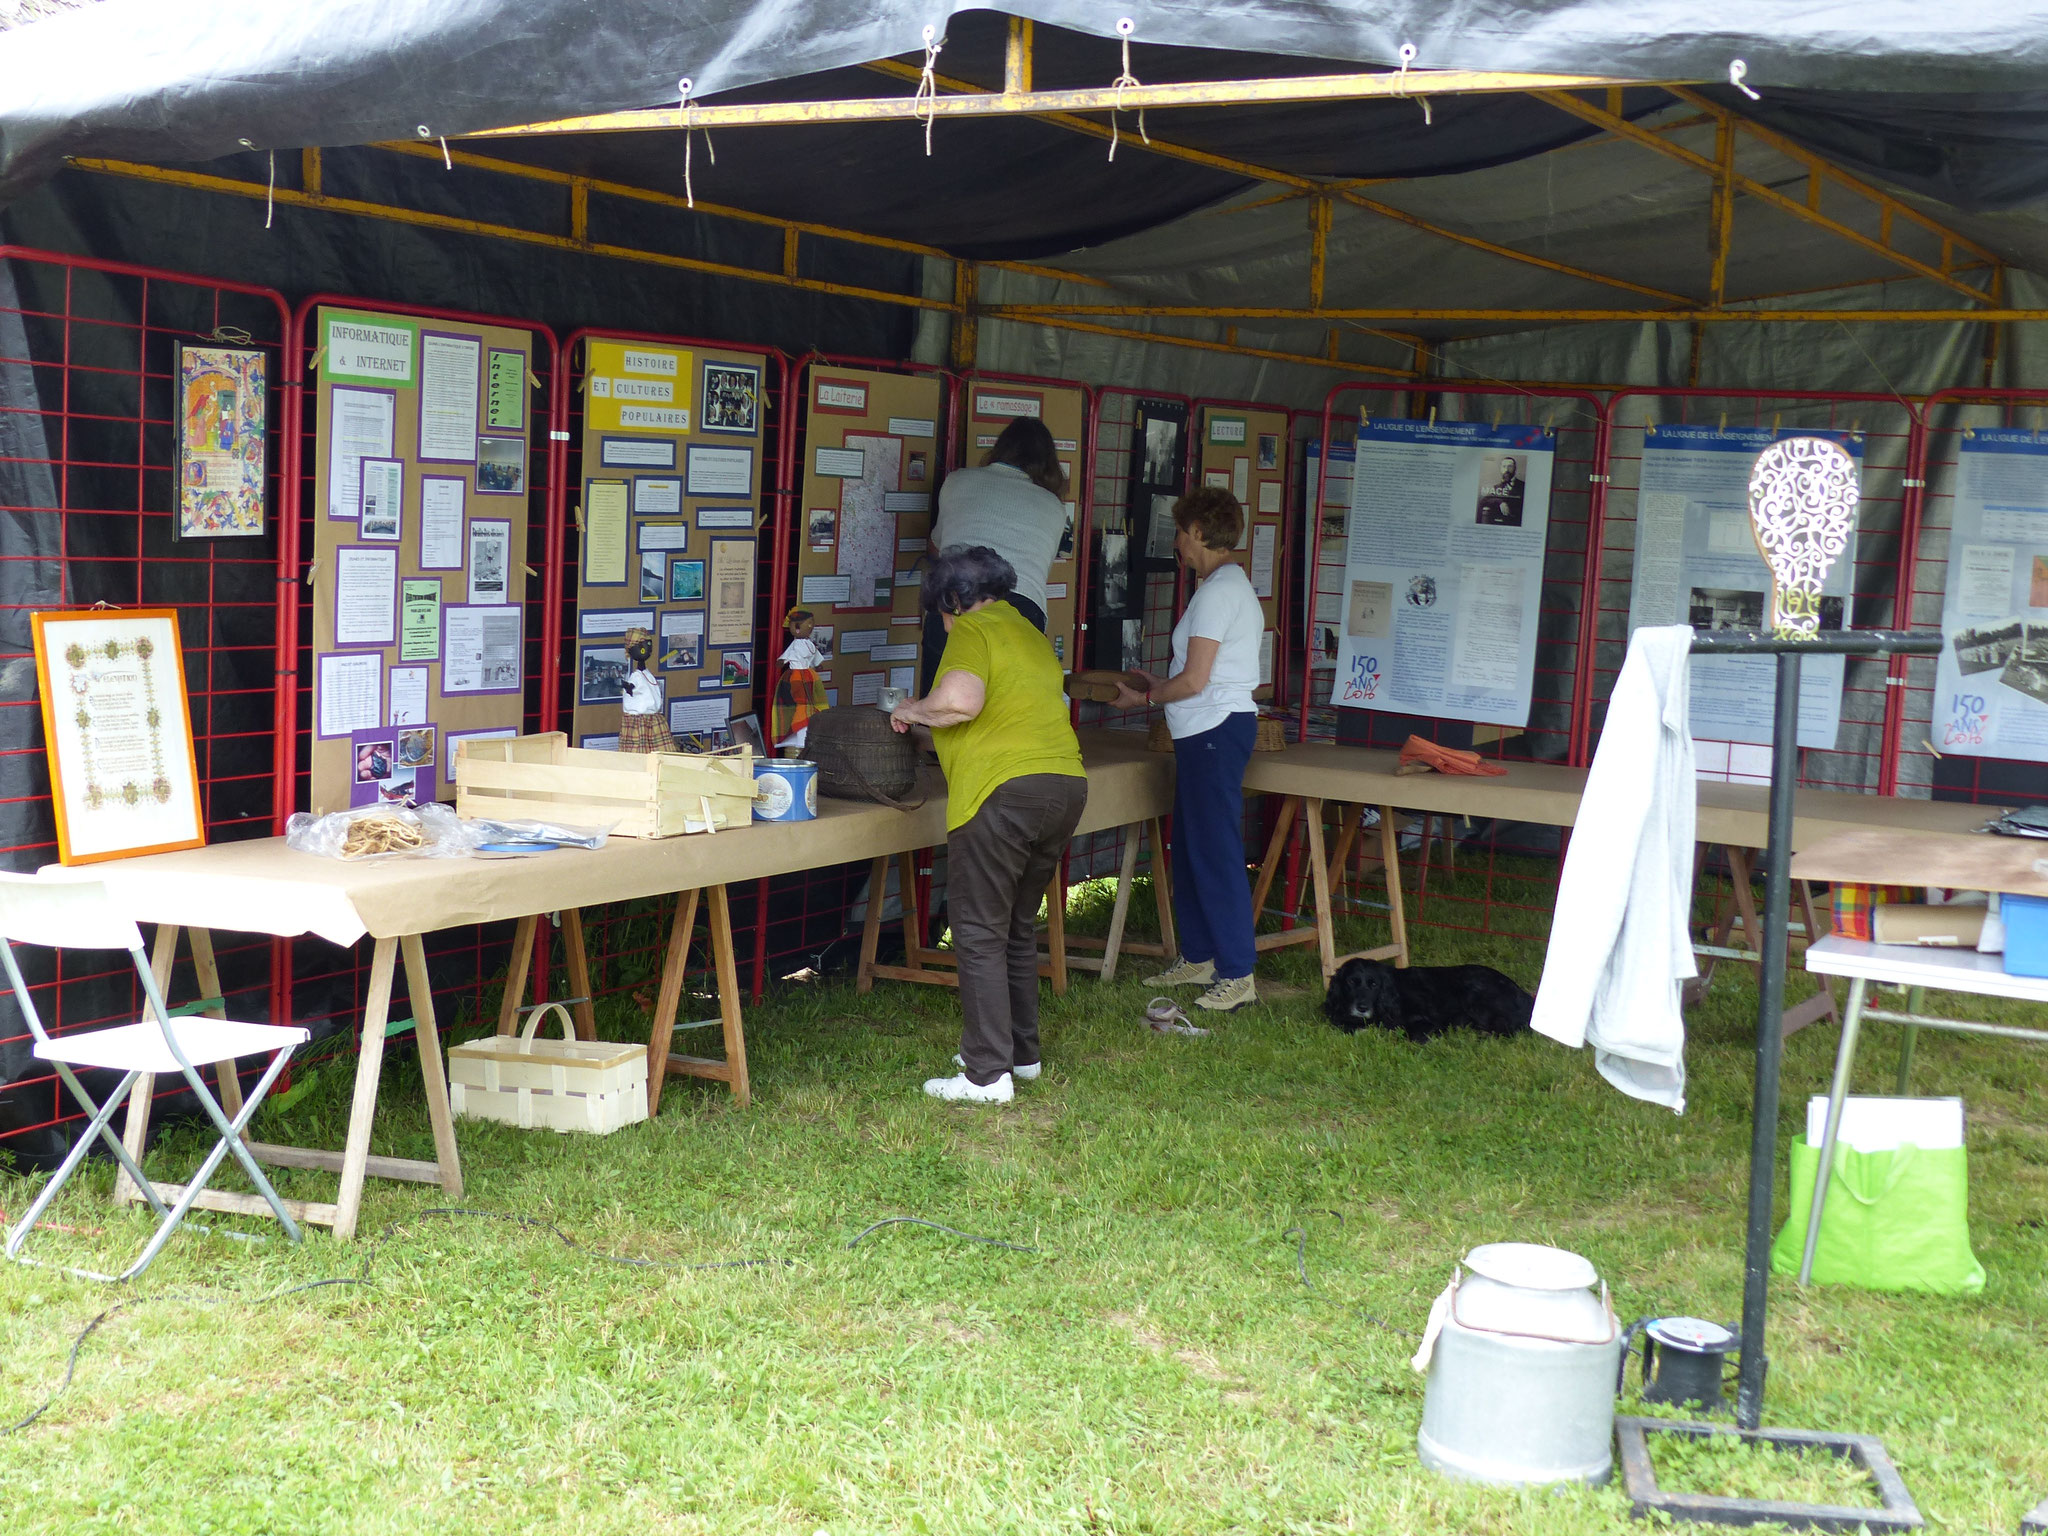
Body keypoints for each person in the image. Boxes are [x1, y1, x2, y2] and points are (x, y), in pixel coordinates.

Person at [892, 545, 1087, 1103]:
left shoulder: (972, 631)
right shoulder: (1025, 630)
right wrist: (931, 720)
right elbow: (990, 715)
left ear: (953, 600)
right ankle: (1021, 1055)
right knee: (1016, 927)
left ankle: (984, 1075)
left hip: (1003, 794)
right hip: (1064, 785)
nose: (943, 623)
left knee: (977, 930)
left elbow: (958, 703)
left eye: (941, 612)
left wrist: (909, 709)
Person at [1112, 487, 1264, 1013]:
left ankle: (1238, 973)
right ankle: (1200, 955)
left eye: (1180, 531)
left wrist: (1146, 695)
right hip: (1208, 729)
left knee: (1216, 852)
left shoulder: (1219, 592)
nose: (1176, 542)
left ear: (1199, 532)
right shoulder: (1223, 587)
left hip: (1214, 729)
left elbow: (1196, 681)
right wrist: (1161, 683)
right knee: (1195, 847)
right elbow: (1199, 676)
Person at [919, 417, 1068, 691]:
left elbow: (936, 548)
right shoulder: (1054, 507)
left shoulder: (957, 481)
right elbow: (1038, 568)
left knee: (939, 705)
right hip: (1021, 608)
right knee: (1005, 708)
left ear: (1001, 448)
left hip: (956, 602)